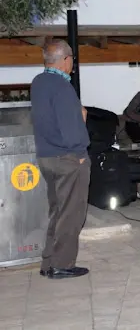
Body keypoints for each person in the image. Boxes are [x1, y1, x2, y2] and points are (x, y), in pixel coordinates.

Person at [30, 40, 91, 279]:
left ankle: (48, 262)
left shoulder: (38, 82)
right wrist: (80, 154)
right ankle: (62, 265)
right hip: (68, 158)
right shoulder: (62, 86)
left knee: (57, 211)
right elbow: (71, 126)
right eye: (72, 59)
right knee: (71, 214)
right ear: (66, 59)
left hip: (46, 156)